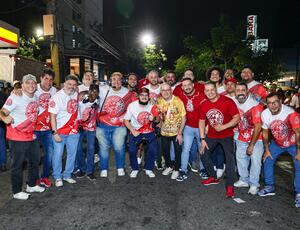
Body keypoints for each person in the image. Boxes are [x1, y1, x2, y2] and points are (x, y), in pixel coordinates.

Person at [0, 74, 45, 200]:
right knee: (17, 165)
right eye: (27, 83)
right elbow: (2, 111)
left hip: (31, 135)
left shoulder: (35, 97)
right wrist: (4, 117)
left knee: (35, 161)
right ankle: (16, 191)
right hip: (17, 137)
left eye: (33, 83)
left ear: (35, 85)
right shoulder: (15, 97)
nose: (30, 85)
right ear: (22, 85)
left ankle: (31, 185)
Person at [258, 92, 300, 208]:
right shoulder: (265, 114)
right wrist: (266, 149)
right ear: (267, 104)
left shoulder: (291, 113)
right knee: (267, 159)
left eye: (275, 102)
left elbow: (298, 133)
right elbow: (265, 132)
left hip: (293, 143)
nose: (273, 105)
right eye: (270, 103)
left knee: (299, 164)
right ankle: (269, 186)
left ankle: (299, 192)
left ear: (280, 101)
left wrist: (299, 152)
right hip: (277, 143)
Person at [199, 81, 240, 198]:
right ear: (204, 92)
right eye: (207, 90)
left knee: (230, 158)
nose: (210, 92)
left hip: (226, 135)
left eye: (212, 89)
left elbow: (237, 118)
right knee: (203, 152)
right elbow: (201, 121)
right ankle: (213, 177)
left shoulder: (227, 101)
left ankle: (230, 185)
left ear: (216, 89)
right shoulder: (204, 104)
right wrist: (202, 139)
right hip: (211, 135)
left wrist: (224, 126)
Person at [96, 72, 136, 177]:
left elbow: (135, 106)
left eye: (119, 79)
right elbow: (88, 93)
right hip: (102, 124)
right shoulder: (102, 89)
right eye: (114, 79)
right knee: (103, 148)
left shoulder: (127, 92)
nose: (116, 82)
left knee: (119, 147)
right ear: (110, 80)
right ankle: (104, 168)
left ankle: (120, 167)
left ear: (122, 81)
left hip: (120, 125)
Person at [49, 75, 80, 187]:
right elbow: (52, 116)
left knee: (72, 154)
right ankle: (57, 177)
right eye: (69, 84)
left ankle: (67, 175)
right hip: (60, 131)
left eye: (74, 85)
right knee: (58, 154)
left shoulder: (76, 94)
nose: (71, 87)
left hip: (73, 132)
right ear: (64, 84)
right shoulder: (57, 97)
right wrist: (55, 132)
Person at [233, 83, 264, 195]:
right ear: (235, 92)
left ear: (247, 92)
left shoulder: (254, 105)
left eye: (243, 90)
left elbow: (258, 126)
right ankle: (243, 180)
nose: (240, 92)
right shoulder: (234, 102)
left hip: (256, 138)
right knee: (240, 158)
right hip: (242, 135)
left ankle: (254, 184)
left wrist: (251, 144)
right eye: (238, 90)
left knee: (255, 160)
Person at [175, 77, 207, 181]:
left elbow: (207, 112)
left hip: (200, 127)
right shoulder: (180, 96)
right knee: (185, 149)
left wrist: (207, 127)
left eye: (189, 85)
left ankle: (203, 169)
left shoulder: (201, 95)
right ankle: (183, 170)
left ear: (193, 85)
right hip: (188, 126)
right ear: (182, 87)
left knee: (201, 148)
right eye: (184, 85)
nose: (187, 87)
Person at [124, 87, 159, 178]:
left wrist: (154, 118)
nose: (144, 97)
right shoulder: (132, 105)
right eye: (142, 95)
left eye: (146, 95)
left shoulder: (152, 106)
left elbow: (158, 119)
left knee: (153, 149)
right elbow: (126, 120)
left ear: (149, 96)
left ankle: (148, 168)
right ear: (138, 96)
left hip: (149, 131)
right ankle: (134, 168)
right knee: (131, 150)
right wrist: (132, 130)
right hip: (136, 130)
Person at [157, 83, 186, 180]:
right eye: (163, 90)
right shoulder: (160, 101)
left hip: (176, 133)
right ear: (161, 92)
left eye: (167, 90)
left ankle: (176, 169)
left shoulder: (178, 101)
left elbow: (184, 117)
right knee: (165, 151)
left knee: (178, 151)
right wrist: (159, 123)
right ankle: (169, 166)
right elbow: (160, 115)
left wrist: (180, 133)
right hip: (164, 132)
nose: (165, 92)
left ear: (171, 90)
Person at [34, 68, 57, 187]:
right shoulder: (33, 88)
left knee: (50, 154)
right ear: (41, 78)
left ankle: (44, 177)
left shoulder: (54, 90)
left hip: (48, 129)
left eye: (51, 79)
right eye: (46, 78)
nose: (48, 82)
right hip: (35, 129)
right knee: (35, 156)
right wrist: (16, 90)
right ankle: (35, 179)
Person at [74, 84, 99, 181]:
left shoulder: (98, 100)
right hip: (80, 127)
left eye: (96, 92)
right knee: (78, 148)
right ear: (89, 91)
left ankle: (90, 171)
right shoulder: (81, 98)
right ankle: (82, 168)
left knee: (91, 149)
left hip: (91, 128)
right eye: (92, 91)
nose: (94, 93)